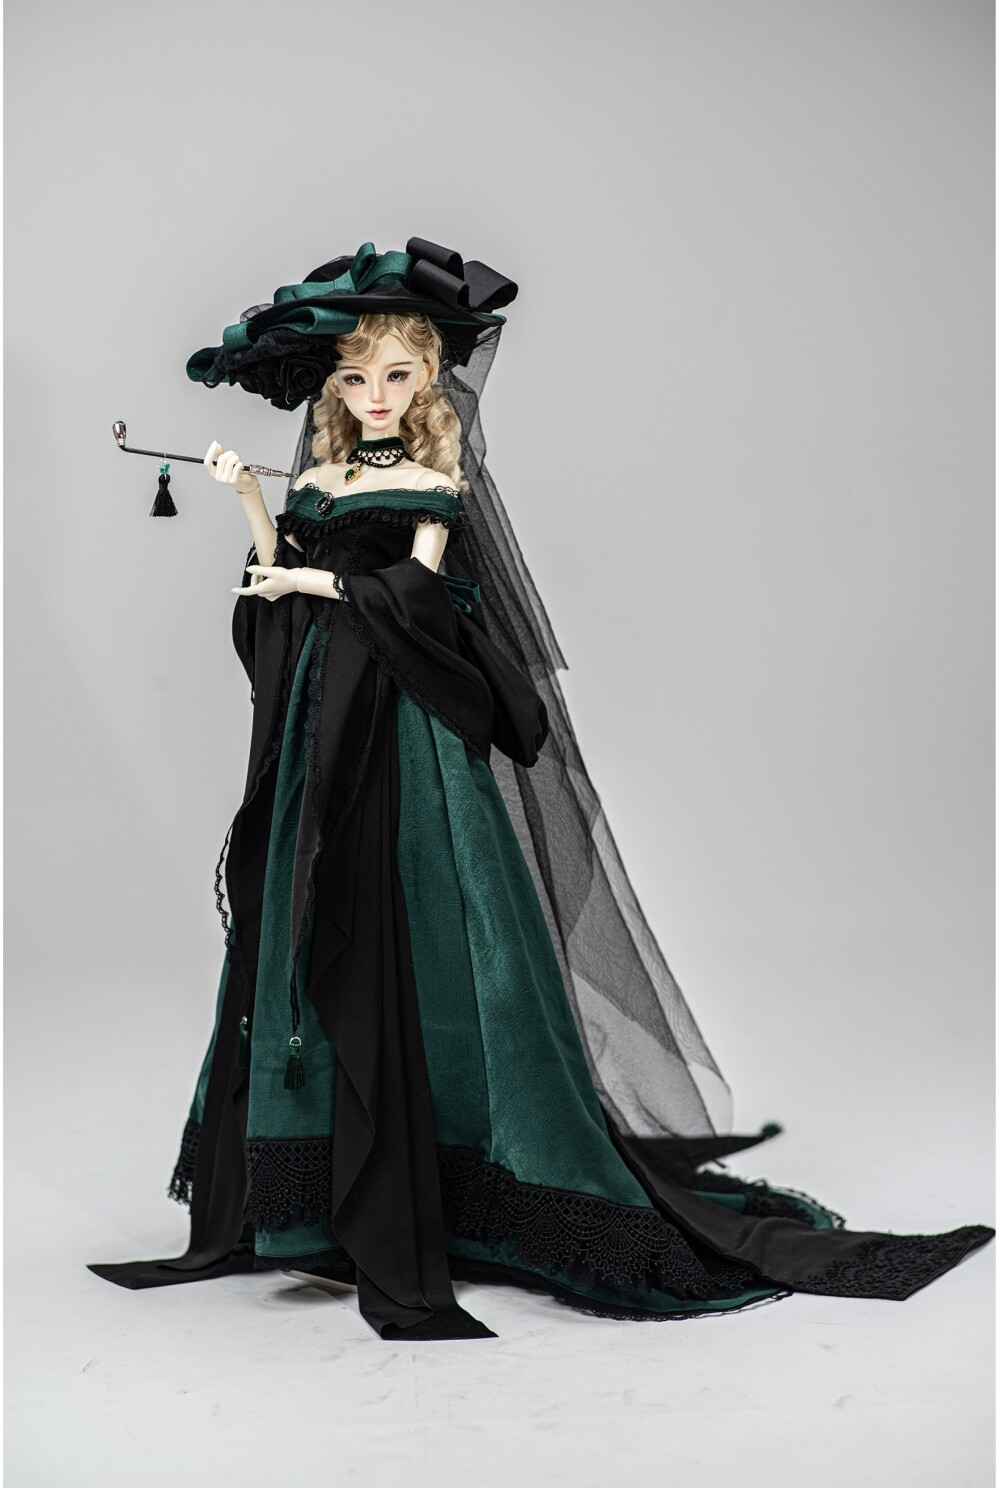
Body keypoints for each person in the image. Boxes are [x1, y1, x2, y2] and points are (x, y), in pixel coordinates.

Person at [87, 239, 995, 1341]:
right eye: (357, 377)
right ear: (335, 387)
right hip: (321, 715)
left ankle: (446, 1174)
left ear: (429, 381)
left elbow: (418, 603)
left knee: (432, 923)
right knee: (310, 911)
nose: (375, 395)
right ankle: (316, 1195)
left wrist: (311, 576)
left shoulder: (433, 483)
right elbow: (273, 590)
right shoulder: (319, 476)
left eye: (397, 376)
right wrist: (245, 503)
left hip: (406, 726)